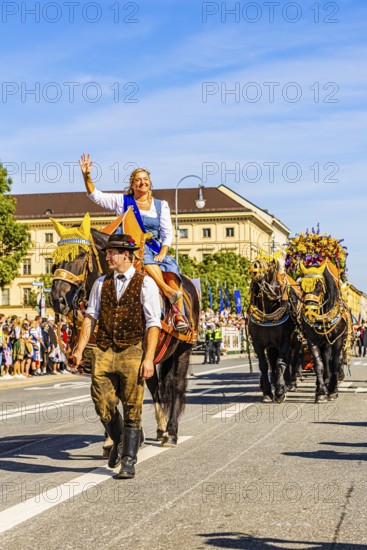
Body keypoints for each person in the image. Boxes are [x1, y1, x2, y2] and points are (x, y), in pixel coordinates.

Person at [72, 233, 161, 479]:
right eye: (107, 252)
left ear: (126, 255)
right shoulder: (101, 283)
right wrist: (79, 350)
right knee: (102, 403)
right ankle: (121, 439)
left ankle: (128, 461)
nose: (107, 256)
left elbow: (153, 323)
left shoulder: (146, 283)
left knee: (133, 405)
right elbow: (91, 316)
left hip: (132, 349)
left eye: (111, 253)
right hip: (103, 350)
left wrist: (149, 357)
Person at [79, 153, 188, 332]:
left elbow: (168, 233)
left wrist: (163, 252)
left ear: (150, 183)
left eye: (145, 179)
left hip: (155, 249)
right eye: (138, 180)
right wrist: (87, 176)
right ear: (132, 184)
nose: (142, 182)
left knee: (171, 271)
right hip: (129, 249)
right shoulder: (122, 201)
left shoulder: (162, 205)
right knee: (138, 258)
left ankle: (177, 314)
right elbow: (95, 196)